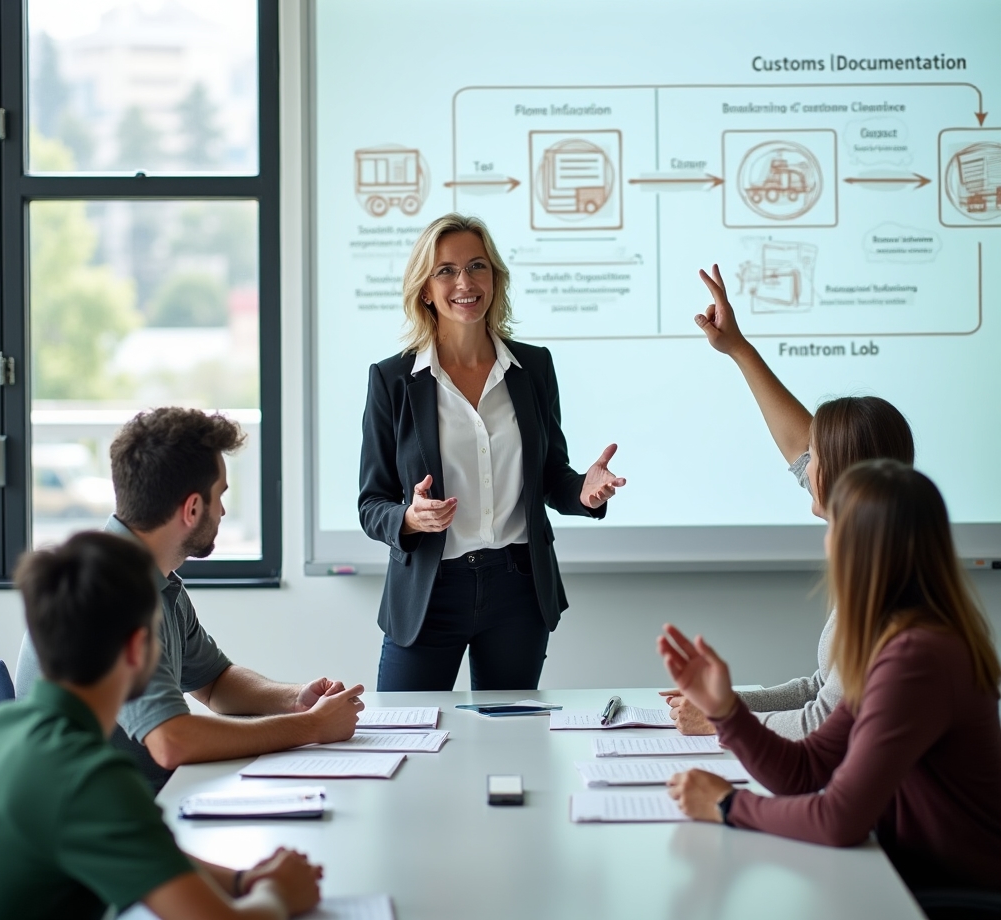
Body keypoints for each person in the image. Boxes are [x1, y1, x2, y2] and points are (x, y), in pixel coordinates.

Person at [659, 461, 1001, 893]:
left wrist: (728, 804)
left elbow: (839, 820)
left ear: (857, 549)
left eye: (832, 526)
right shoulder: (903, 641)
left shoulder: (916, 659)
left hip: (953, 896)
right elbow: (806, 770)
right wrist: (725, 710)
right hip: (913, 880)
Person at [0, 531, 323, 920]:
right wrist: (279, 892)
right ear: (136, 648)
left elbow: (146, 851)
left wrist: (244, 880)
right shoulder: (90, 778)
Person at [16, 407, 364, 790]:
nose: (223, 511)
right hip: (93, 821)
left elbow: (214, 683)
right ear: (192, 509)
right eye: (220, 497)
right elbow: (172, 743)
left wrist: (296, 699)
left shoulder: (152, 577)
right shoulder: (106, 590)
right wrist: (311, 727)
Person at [359, 213, 625, 692]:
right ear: (425, 289)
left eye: (478, 266)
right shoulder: (392, 380)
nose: (465, 281)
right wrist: (410, 519)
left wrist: (584, 491)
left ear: (495, 278)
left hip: (517, 587)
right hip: (429, 591)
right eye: (446, 270)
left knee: (511, 742)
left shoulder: (534, 367)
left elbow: (549, 477)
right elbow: (371, 503)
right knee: (405, 736)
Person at [663, 264, 914, 739]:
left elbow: (825, 725)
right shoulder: (879, 550)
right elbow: (821, 689)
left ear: (841, 476)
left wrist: (724, 722)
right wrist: (724, 703)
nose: (802, 464)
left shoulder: (887, 587)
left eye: (813, 457)